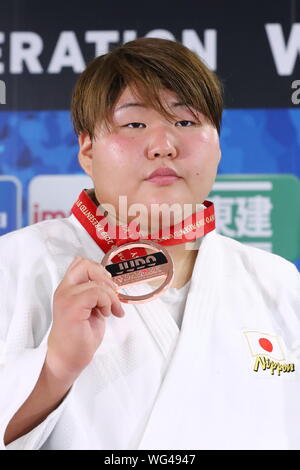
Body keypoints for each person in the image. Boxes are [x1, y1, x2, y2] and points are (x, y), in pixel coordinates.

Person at [0, 37, 299, 451]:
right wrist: (53, 370)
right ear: (87, 149)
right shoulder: (16, 264)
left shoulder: (277, 282)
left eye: (186, 122)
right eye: (134, 124)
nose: (163, 145)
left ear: (218, 145)